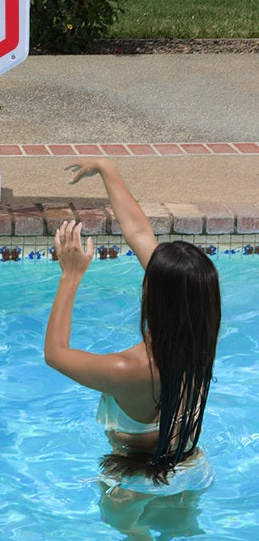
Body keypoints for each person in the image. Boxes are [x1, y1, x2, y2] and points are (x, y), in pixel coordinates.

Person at [44, 158, 221, 492]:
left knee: (125, 527)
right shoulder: (201, 332)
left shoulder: (130, 369)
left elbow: (55, 354)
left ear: (155, 297)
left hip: (131, 483)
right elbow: (140, 233)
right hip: (189, 465)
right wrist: (107, 169)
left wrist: (71, 275)